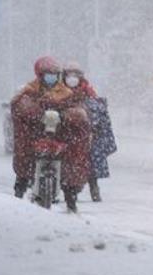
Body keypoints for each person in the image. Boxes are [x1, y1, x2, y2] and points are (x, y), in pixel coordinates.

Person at [11, 56, 92, 212]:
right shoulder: (29, 91)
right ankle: (18, 195)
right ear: (40, 75)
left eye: (55, 74)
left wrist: (64, 116)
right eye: (48, 74)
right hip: (35, 136)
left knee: (73, 165)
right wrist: (38, 115)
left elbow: (80, 111)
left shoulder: (67, 93)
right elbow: (20, 108)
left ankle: (71, 200)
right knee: (24, 162)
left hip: (61, 137)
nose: (51, 78)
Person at [63, 62, 117, 202]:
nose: (72, 78)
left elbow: (97, 110)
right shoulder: (59, 91)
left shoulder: (87, 91)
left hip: (84, 132)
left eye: (75, 75)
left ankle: (94, 187)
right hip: (65, 132)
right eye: (69, 75)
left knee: (90, 157)